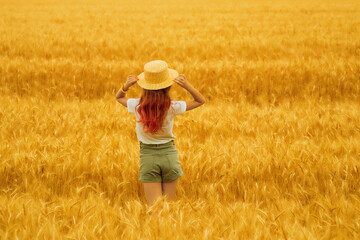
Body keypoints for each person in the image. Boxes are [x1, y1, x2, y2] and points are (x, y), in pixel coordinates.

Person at [115, 60, 205, 206]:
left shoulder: (137, 105)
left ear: (145, 85)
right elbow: (200, 100)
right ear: (168, 86)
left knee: (155, 210)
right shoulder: (172, 107)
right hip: (169, 156)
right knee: (168, 209)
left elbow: (119, 98)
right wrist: (187, 85)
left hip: (148, 158)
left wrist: (125, 86)